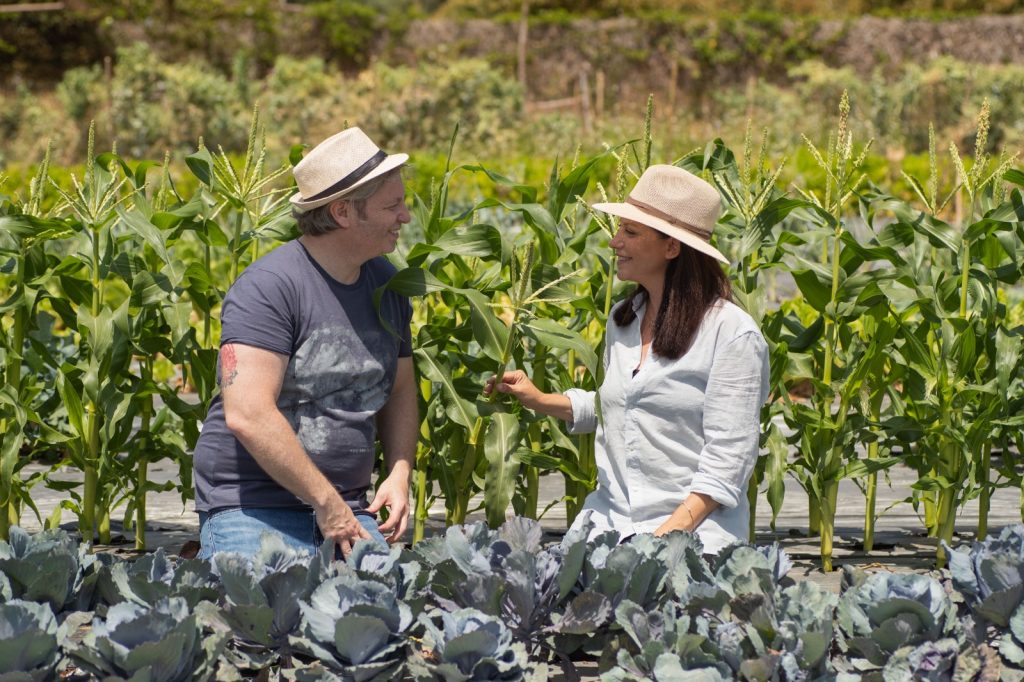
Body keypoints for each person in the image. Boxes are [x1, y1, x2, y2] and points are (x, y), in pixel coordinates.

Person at [489, 164, 769, 554]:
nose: (614, 242)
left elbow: (728, 464)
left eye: (630, 232)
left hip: (694, 535)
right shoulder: (624, 319)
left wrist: (658, 544)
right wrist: (537, 399)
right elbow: (618, 405)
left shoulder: (732, 335)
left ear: (672, 247)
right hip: (610, 523)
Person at [193, 127, 418, 560]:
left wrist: (399, 471)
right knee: (261, 611)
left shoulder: (388, 285)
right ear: (343, 212)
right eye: (392, 205)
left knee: (381, 610)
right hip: (253, 506)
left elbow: (402, 388)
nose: (404, 216)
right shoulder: (269, 288)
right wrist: (325, 503)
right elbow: (247, 414)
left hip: (348, 507)